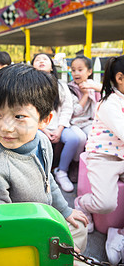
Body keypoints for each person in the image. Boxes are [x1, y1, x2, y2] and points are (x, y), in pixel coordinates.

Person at [0, 64, 88, 261]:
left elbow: (47, 179)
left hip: (44, 219)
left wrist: (65, 210)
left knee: (80, 228)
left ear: (44, 120)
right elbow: (0, 227)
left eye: (19, 116)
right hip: (24, 238)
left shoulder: (42, 141)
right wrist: (55, 250)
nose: (6, 127)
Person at [74, 55, 124, 233]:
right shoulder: (110, 103)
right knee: (105, 204)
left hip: (122, 157)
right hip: (104, 157)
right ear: (119, 78)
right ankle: (81, 203)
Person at [31, 53, 80, 192]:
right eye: (37, 59)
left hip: (59, 125)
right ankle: (42, 176)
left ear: (52, 66)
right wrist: (42, 129)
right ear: (32, 66)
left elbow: (67, 108)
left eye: (45, 59)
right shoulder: (29, 86)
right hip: (39, 127)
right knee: (36, 141)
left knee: (74, 139)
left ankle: (62, 172)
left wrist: (59, 129)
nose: (41, 61)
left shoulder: (61, 85)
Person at [68, 56, 102, 163]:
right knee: (81, 138)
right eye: (73, 70)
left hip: (90, 122)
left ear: (89, 71)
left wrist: (94, 88)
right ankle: (76, 163)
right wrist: (85, 94)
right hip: (74, 123)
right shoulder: (70, 88)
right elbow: (76, 112)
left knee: (94, 136)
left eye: (80, 70)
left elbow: (108, 94)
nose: (76, 73)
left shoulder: (93, 85)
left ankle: (91, 163)